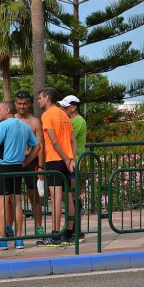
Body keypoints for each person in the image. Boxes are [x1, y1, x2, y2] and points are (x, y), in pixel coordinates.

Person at [0, 101, 39, 250]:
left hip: (4, 167)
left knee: (2, 204)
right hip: (18, 166)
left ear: (7, 110)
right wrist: (26, 161)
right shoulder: (24, 126)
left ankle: (2, 240)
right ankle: (19, 240)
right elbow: (36, 146)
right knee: (17, 203)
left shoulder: (3, 125)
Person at [37, 88, 77, 247]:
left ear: (47, 98)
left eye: (40, 98)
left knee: (56, 198)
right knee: (68, 198)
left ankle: (55, 235)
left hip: (55, 160)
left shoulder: (47, 115)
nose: (38, 101)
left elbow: (53, 141)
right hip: (67, 162)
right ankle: (68, 233)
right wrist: (71, 159)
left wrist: (65, 158)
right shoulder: (63, 114)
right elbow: (73, 141)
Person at [14, 90, 45, 236]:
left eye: (24, 103)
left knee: (34, 196)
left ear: (29, 104)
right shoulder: (11, 120)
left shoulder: (35, 121)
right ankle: (9, 227)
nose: (22, 106)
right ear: (15, 104)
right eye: (19, 103)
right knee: (12, 197)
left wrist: (40, 166)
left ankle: (39, 226)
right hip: (14, 162)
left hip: (31, 162)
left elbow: (40, 146)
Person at [58, 95, 87, 242]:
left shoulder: (77, 121)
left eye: (65, 107)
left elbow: (67, 139)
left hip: (72, 163)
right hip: (71, 162)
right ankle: (74, 230)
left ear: (74, 107)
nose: (63, 109)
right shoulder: (72, 120)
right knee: (71, 197)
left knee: (72, 197)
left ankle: (74, 230)